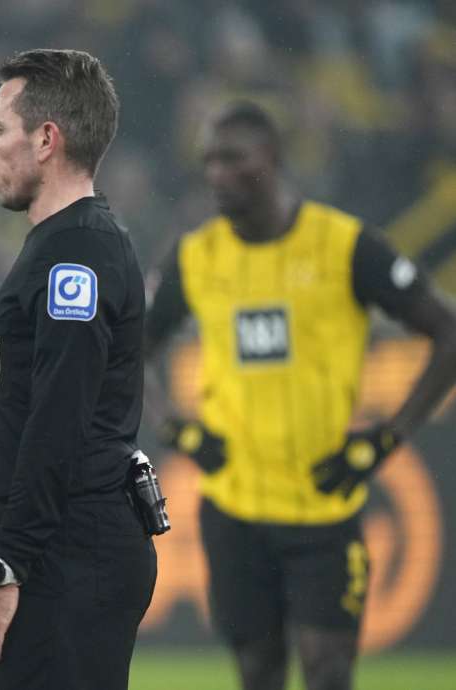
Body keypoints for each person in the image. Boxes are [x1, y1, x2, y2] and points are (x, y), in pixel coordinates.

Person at [145, 101, 456, 690]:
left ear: (272, 159)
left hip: (323, 508)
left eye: (231, 158)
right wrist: (173, 428)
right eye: (209, 160)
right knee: (258, 674)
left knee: (327, 673)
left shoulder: (345, 247)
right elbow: (131, 349)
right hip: (233, 510)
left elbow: (448, 333)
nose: (216, 173)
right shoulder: (197, 257)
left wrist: (389, 437)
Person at [0, 49, 158, 690]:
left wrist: (5, 567)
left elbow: (59, 419)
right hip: (68, 545)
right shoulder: (63, 244)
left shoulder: (79, 252)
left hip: (72, 551)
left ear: (46, 140)